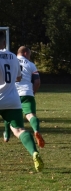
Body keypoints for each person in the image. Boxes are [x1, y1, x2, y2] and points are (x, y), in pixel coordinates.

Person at [0, 31, 44, 172]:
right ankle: (34, 152)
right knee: (19, 130)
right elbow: (18, 78)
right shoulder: (13, 57)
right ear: (4, 43)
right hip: (12, 99)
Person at [3, 46, 45, 148]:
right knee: (31, 115)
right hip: (27, 93)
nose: (30, 57)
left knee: (8, 113)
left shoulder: (10, 60)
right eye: (29, 55)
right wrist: (32, 92)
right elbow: (37, 81)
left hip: (12, 93)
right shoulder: (31, 65)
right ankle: (36, 131)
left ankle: (7, 135)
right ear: (25, 53)